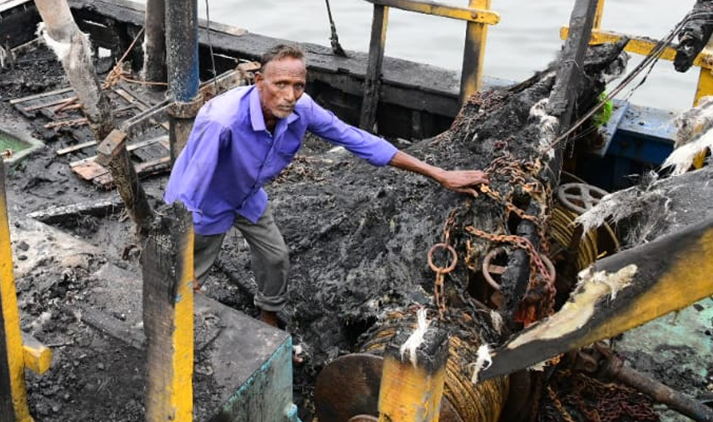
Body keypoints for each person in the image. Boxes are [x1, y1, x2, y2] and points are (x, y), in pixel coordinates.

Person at [163, 43, 487, 327]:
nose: (290, 96)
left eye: (298, 85)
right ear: (259, 81)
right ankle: (172, 330)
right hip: (205, 201)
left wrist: (439, 173)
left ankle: (268, 317)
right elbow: (192, 187)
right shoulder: (222, 120)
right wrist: (182, 237)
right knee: (187, 276)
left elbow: (358, 140)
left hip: (247, 194)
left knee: (276, 258)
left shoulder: (302, 109)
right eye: (280, 84)